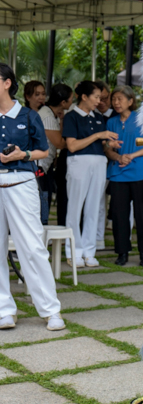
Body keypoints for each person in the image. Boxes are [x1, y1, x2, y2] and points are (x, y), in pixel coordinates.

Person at [0, 63, 65, 331]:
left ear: (6, 83)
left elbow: (41, 150)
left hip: (22, 181)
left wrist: (22, 155)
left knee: (32, 247)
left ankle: (51, 310)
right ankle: (4, 309)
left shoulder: (28, 116)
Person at [62, 81, 119, 268]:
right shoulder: (71, 117)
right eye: (95, 97)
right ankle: (73, 251)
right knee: (75, 207)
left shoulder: (98, 117)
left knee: (94, 207)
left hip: (99, 162)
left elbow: (101, 144)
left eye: (101, 97)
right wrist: (97, 136)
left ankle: (89, 251)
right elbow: (72, 145)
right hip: (79, 162)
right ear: (84, 97)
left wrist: (109, 144)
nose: (99, 101)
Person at [103, 86, 143, 267]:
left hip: (140, 172)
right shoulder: (111, 122)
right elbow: (107, 149)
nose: (116, 103)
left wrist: (131, 156)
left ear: (130, 101)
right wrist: (117, 155)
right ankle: (122, 252)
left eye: (120, 99)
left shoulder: (142, 120)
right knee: (119, 216)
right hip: (118, 173)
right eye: (114, 99)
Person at [37, 84, 74, 225]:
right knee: (43, 198)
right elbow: (60, 143)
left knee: (45, 196)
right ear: (63, 103)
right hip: (39, 165)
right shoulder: (46, 116)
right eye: (71, 99)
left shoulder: (52, 114)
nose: (73, 102)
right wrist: (76, 141)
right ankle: (42, 230)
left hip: (45, 164)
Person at [93, 81, 114, 250]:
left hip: (117, 164)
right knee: (97, 202)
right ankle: (97, 238)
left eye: (105, 98)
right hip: (98, 163)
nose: (101, 102)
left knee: (122, 203)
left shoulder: (117, 115)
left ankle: (123, 238)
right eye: (98, 98)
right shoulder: (90, 115)